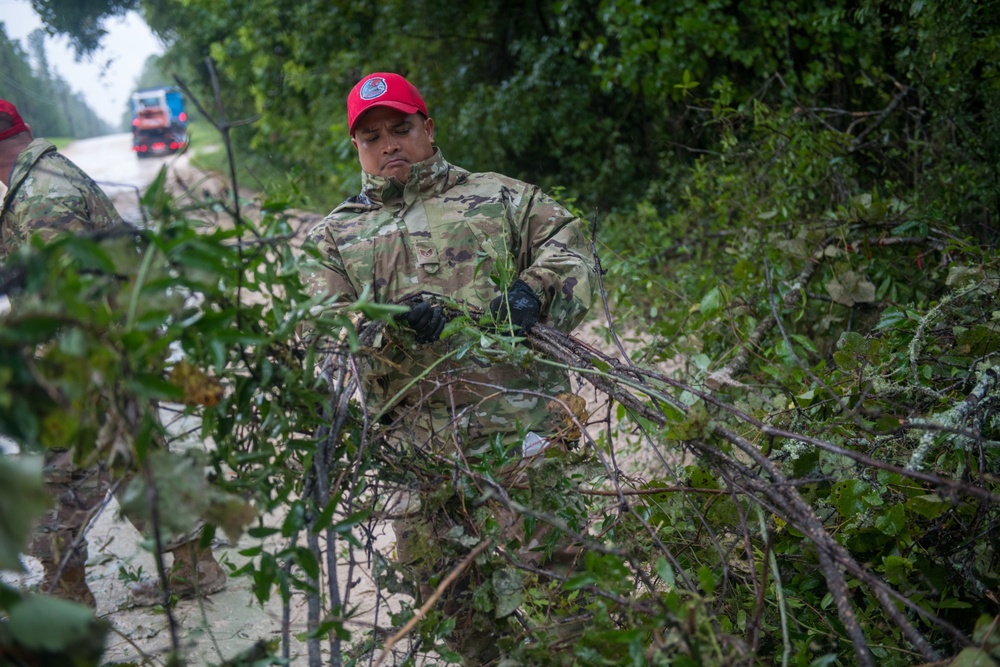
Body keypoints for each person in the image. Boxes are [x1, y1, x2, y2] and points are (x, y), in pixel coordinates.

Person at [311, 73, 596, 664]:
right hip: (420, 449)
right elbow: (317, 327)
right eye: (372, 137)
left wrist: (533, 293)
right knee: (450, 601)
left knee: (563, 580)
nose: (389, 145)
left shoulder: (503, 197)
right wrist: (382, 324)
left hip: (526, 428)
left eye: (401, 128)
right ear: (356, 148)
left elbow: (572, 245)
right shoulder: (335, 236)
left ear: (428, 128)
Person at [0, 99, 226, 608]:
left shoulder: (40, 198)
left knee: (53, 477)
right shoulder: (43, 176)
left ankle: (66, 592)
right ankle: (195, 565)